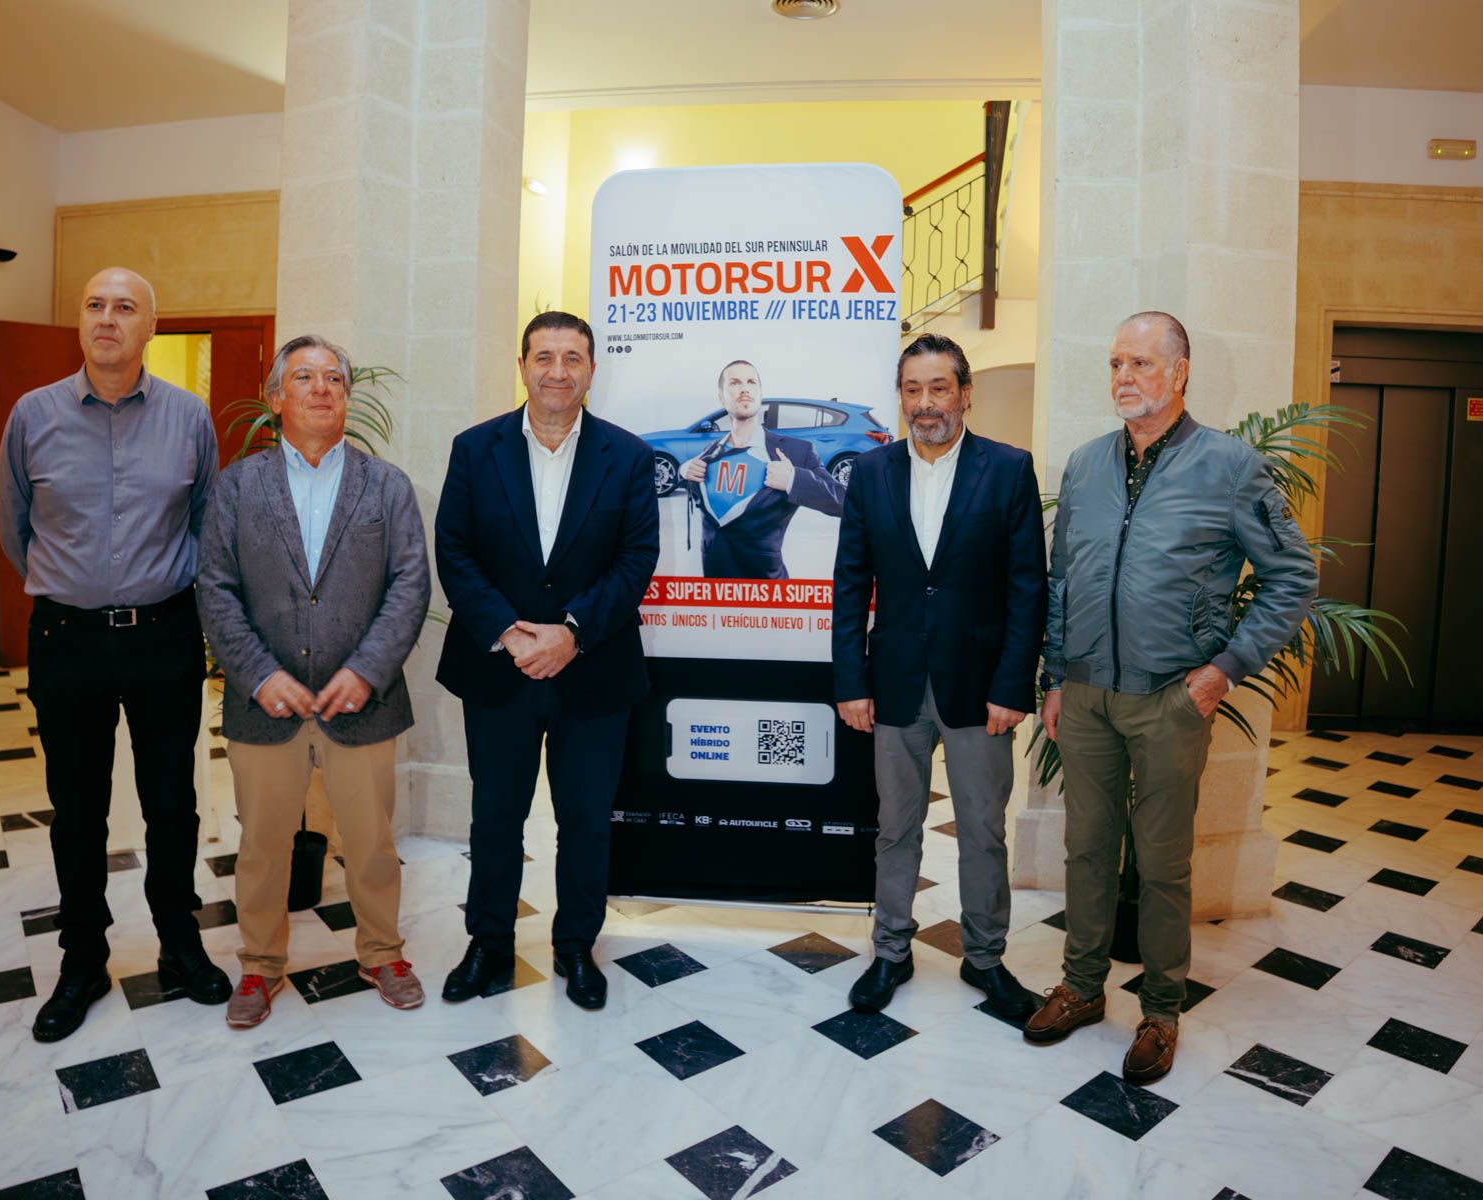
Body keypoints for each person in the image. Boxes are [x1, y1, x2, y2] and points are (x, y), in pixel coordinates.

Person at [1025, 311, 1317, 1083]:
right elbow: (1062, 582)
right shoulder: (1087, 466)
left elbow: (1293, 576)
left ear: (1179, 373)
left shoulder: (1229, 466)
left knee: (1161, 862)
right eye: (1116, 363)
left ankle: (1160, 1010)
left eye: (1141, 364)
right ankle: (1083, 988)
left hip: (1170, 699)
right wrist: (1055, 675)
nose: (1124, 377)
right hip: (1085, 696)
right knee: (1086, 850)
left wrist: (1225, 668)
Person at [0, 266, 230, 1042]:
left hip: (164, 635)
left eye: (125, 307)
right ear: (81, 324)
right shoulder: (32, 415)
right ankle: (83, 959)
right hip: (67, 642)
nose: (107, 319)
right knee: (78, 810)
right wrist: (74, 587)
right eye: (95, 306)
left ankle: (178, 945)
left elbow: (206, 525)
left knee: (173, 804)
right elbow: (15, 525)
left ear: (149, 327)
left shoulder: (189, 418)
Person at [196, 334, 431, 1027]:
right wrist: (258, 674)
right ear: (276, 398)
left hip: (364, 702)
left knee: (372, 844)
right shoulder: (237, 487)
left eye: (334, 378)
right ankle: (261, 966)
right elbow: (215, 588)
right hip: (263, 703)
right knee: (263, 848)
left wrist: (366, 669)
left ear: (348, 397)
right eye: (305, 377)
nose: (322, 387)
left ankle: (382, 952)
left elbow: (410, 585)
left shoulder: (386, 486)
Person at [434, 311, 659, 1010]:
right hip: (496, 666)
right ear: (522, 364)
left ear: (591, 370)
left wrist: (571, 631)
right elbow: (455, 550)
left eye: (572, 358)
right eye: (544, 356)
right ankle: (489, 943)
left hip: (593, 668)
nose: (557, 370)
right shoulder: (475, 449)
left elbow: (636, 559)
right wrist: (509, 630)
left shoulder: (627, 456)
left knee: (586, 817)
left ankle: (575, 945)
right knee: (494, 814)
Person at [832, 334, 1047, 1019]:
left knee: (983, 827)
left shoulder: (1009, 469)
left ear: (965, 392)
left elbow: (1027, 590)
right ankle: (891, 950)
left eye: (939, 388)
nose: (926, 404)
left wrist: (1014, 686)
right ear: (901, 398)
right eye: (913, 390)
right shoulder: (869, 473)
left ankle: (985, 957)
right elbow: (849, 585)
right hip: (893, 683)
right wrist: (849, 680)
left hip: (980, 688)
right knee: (896, 826)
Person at [680, 359, 845, 579]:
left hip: (769, 599)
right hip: (714, 597)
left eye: (751, 382)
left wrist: (793, 480)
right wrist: (683, 470)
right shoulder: (708, 454)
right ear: (720, 396)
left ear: (760, 393)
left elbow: (845, 502)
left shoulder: (797, 452)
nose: (744, 389)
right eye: (735, 383)